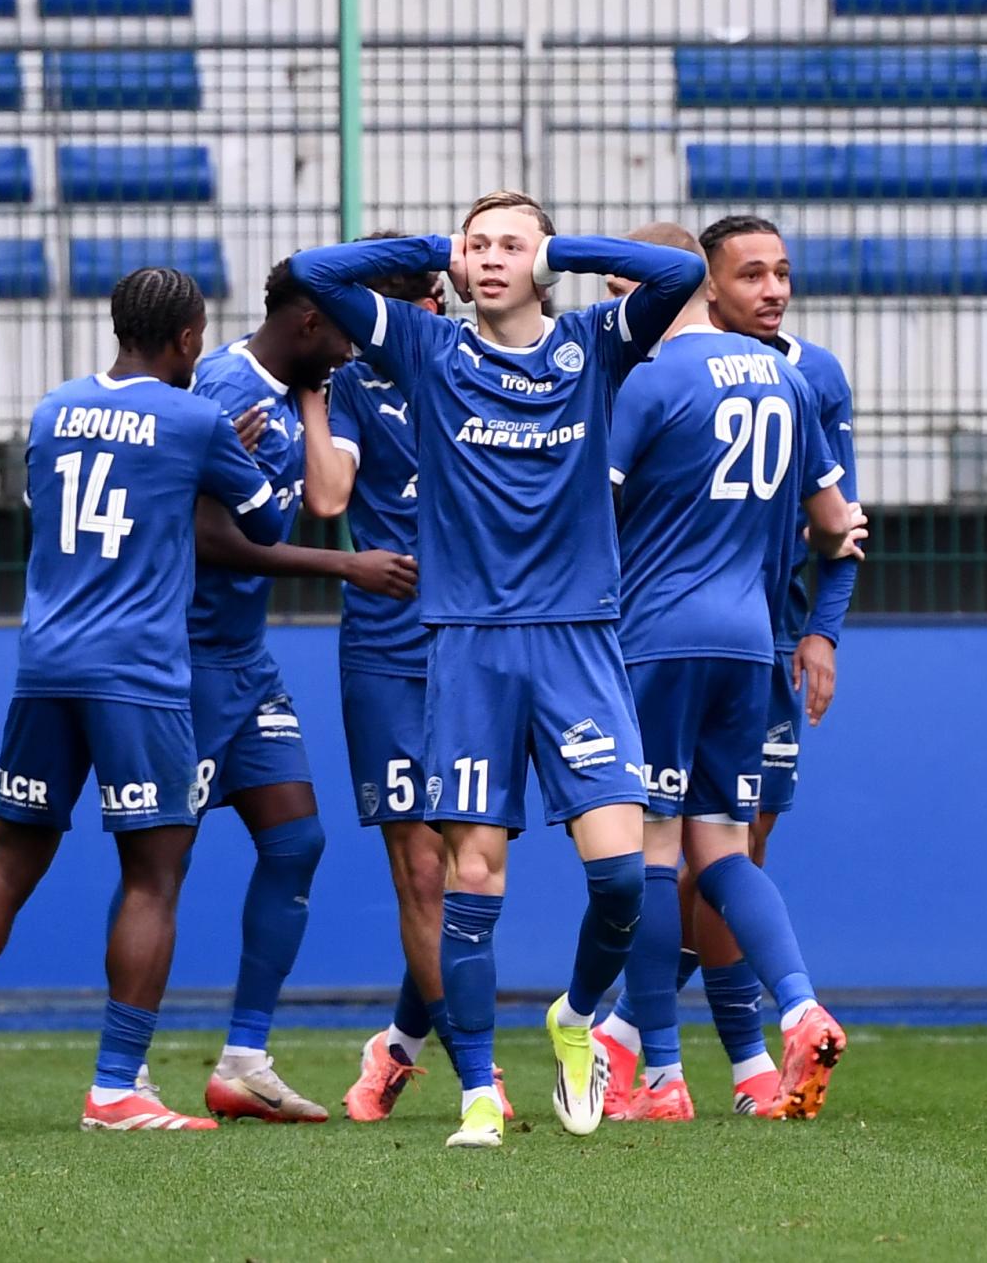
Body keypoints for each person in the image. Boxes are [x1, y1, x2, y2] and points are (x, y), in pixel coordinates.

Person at [289, 192, 706, 1149]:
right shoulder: (430, 351)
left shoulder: (595, 343)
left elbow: (684, 273)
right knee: (472, 872)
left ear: (545, 261)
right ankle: (479, 1091)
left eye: (509, 245)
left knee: (621, 881)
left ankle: (576, 1018)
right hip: (469, 646)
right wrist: (439, 243)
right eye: (475, 246)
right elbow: (314, 272)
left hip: (579, 643)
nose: (488, 258)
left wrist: (555, 246)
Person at [0, 267, 285, 1134]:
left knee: (7, 863)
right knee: (152, 875)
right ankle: (115, 1085)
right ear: (188, 341)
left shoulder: (52, 407)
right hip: (139, 676)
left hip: (44, 666)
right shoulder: (195, 417)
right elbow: (264, 525)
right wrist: (234, 462)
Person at [114, 259, 418, 1123]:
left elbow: (320, 495)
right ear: (314, 323)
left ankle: (244, 1058)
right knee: (159, 865)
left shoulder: (296, 394)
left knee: (297, 842)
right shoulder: (219, 386)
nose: (364, 342)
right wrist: (343, 563)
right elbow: (204, 535)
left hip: (246, 663)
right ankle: (120, 1075)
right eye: (352, 325)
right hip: (186, 664)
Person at [587, 223, 861, 1123]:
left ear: (661, 289)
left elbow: (589, 513)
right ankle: (801, 1004)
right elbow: (837, 523)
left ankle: (661, 1076)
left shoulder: (655, 380)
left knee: (655, 851)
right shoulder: (789, 375)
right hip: (753, 641)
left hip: (658, 638)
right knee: (725, 844)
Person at [296, 239, 512, 1121]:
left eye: (436, 295)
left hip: (482, 645)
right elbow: (328, 498)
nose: (437, 312)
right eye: (425, 296)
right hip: (387, 649)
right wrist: (311, 395)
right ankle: (480, 1075)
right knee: (421, 873)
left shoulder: (488, 371)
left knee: (473, 873)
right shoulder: (352, 388)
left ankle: (397, 1043)